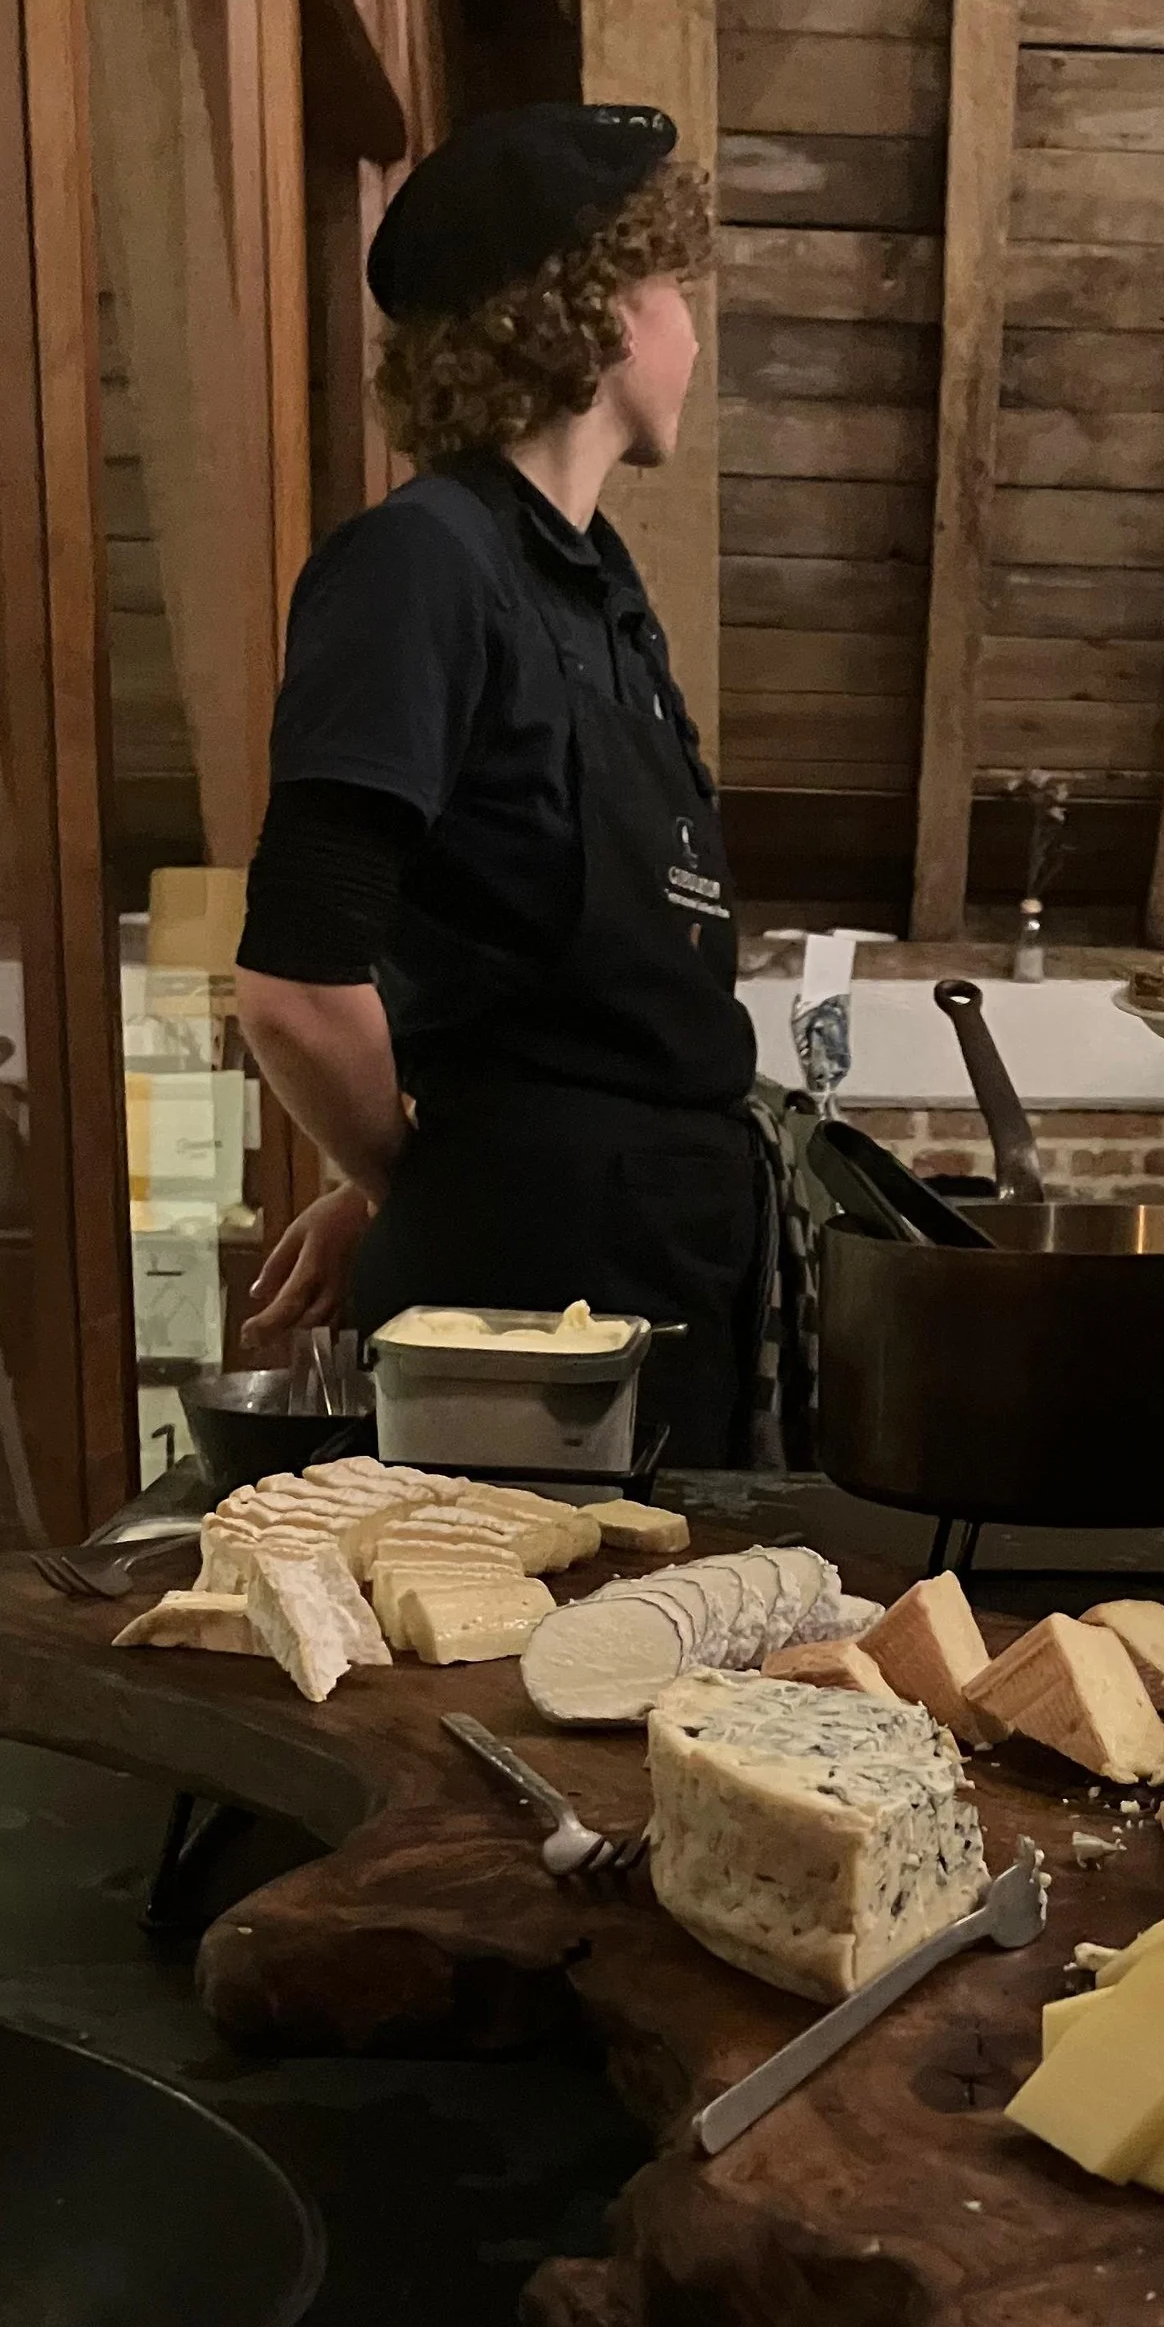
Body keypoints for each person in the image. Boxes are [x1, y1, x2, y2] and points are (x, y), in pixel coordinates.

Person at [233, 103, 764, 1468]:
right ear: (590, 311)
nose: (693, 335)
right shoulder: (422, 564)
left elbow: (521, 968)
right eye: (674, 291)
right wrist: (419, 1182)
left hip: (654, 1247)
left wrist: (423, 1178)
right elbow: (296, 984)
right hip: (531, 1293)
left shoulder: (594, 587)